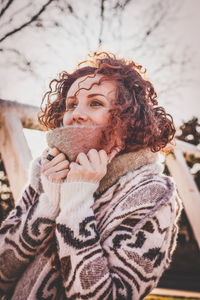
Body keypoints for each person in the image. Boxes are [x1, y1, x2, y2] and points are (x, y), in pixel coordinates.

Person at [0, 52, 182, 300]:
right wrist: (48, 205)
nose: (76, 113)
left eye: (95, 103)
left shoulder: (151, 193)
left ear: (128, 119)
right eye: (71, 104)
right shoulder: (47, 171)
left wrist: (76, 204)